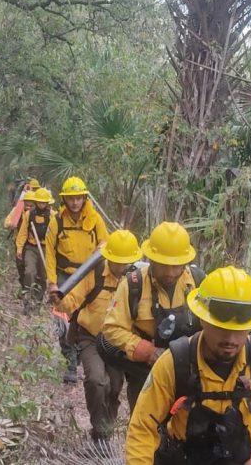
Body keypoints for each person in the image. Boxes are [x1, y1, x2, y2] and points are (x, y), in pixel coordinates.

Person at [126, 266, 251, 465]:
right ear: (202, 320)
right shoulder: (175, 363)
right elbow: (143, 428)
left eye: (239, 330)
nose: (231, 339)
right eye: (221, 329)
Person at [100, 221, 204, 410]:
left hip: (188, 374)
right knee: (145, 427)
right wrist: (148, 351)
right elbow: (111, 328)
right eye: (164, 265)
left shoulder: (197, 283)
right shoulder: (134, 285)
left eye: (177, 265)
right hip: (145, 374)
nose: (171, 273)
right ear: (152, 259)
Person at [55, 230, 142, 443]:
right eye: (117, 262)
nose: (121, 267)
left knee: (113, 386)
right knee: (96, 380)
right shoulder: (94, 273)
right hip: (91, 336)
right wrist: (60, 299)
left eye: (126, 262)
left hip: (117, 341)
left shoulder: (135, 280)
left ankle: (106, 429)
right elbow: (73, 299)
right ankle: (99, 429)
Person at [44, 176, 109, 383]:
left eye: (78, 198)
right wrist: (52, 282)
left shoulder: (95, 219)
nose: (75, 203)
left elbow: (106, 242)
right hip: (65, 277)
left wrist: (102, 248)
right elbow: (50, 253)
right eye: (71, 199)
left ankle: (81, 352)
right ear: (65, 200)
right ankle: (70, 363)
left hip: (89, 275)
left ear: (84, 198)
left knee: (83, 320)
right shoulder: (57, 221)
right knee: (63, 319)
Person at [15, 187, 56, 314]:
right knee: (29, 273)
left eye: (44, 202)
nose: (41, 205)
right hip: (31, 248)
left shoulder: (53, 216)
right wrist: (20, 248)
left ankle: (37, 303)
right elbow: (22, 233)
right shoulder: (29, 214)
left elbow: (57, 235)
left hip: (46, 249)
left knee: (43, 277)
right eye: (39, 202)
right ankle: (27, 301)